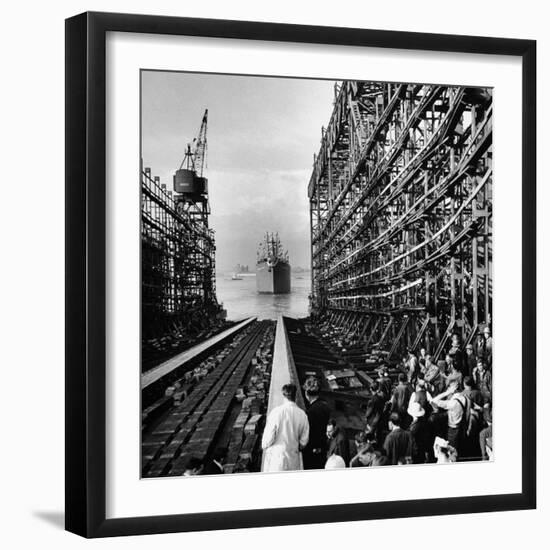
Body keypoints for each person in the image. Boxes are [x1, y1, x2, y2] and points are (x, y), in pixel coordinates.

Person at [261, 383, 310, 472]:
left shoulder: (276, 412)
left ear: (283, 395)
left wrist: (265, 445)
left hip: (276, 460)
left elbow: (267, 441)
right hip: (293, 459)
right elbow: (304, 442)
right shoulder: (302, 415)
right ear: (295, 395)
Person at [431, 385, 470, 457]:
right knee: (460, 448)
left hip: (453, 429)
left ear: (453, 390)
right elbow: (468, 414)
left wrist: (447, 393)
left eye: (449, 388)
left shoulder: (452, 403)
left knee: (452, 451)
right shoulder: (466, 398)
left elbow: (434, 400)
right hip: (462, 427)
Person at [302, 377, 331, 470]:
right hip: (323, 447)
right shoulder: (325, 406)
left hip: (312, 451)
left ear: (306, 394)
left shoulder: (310, 412)